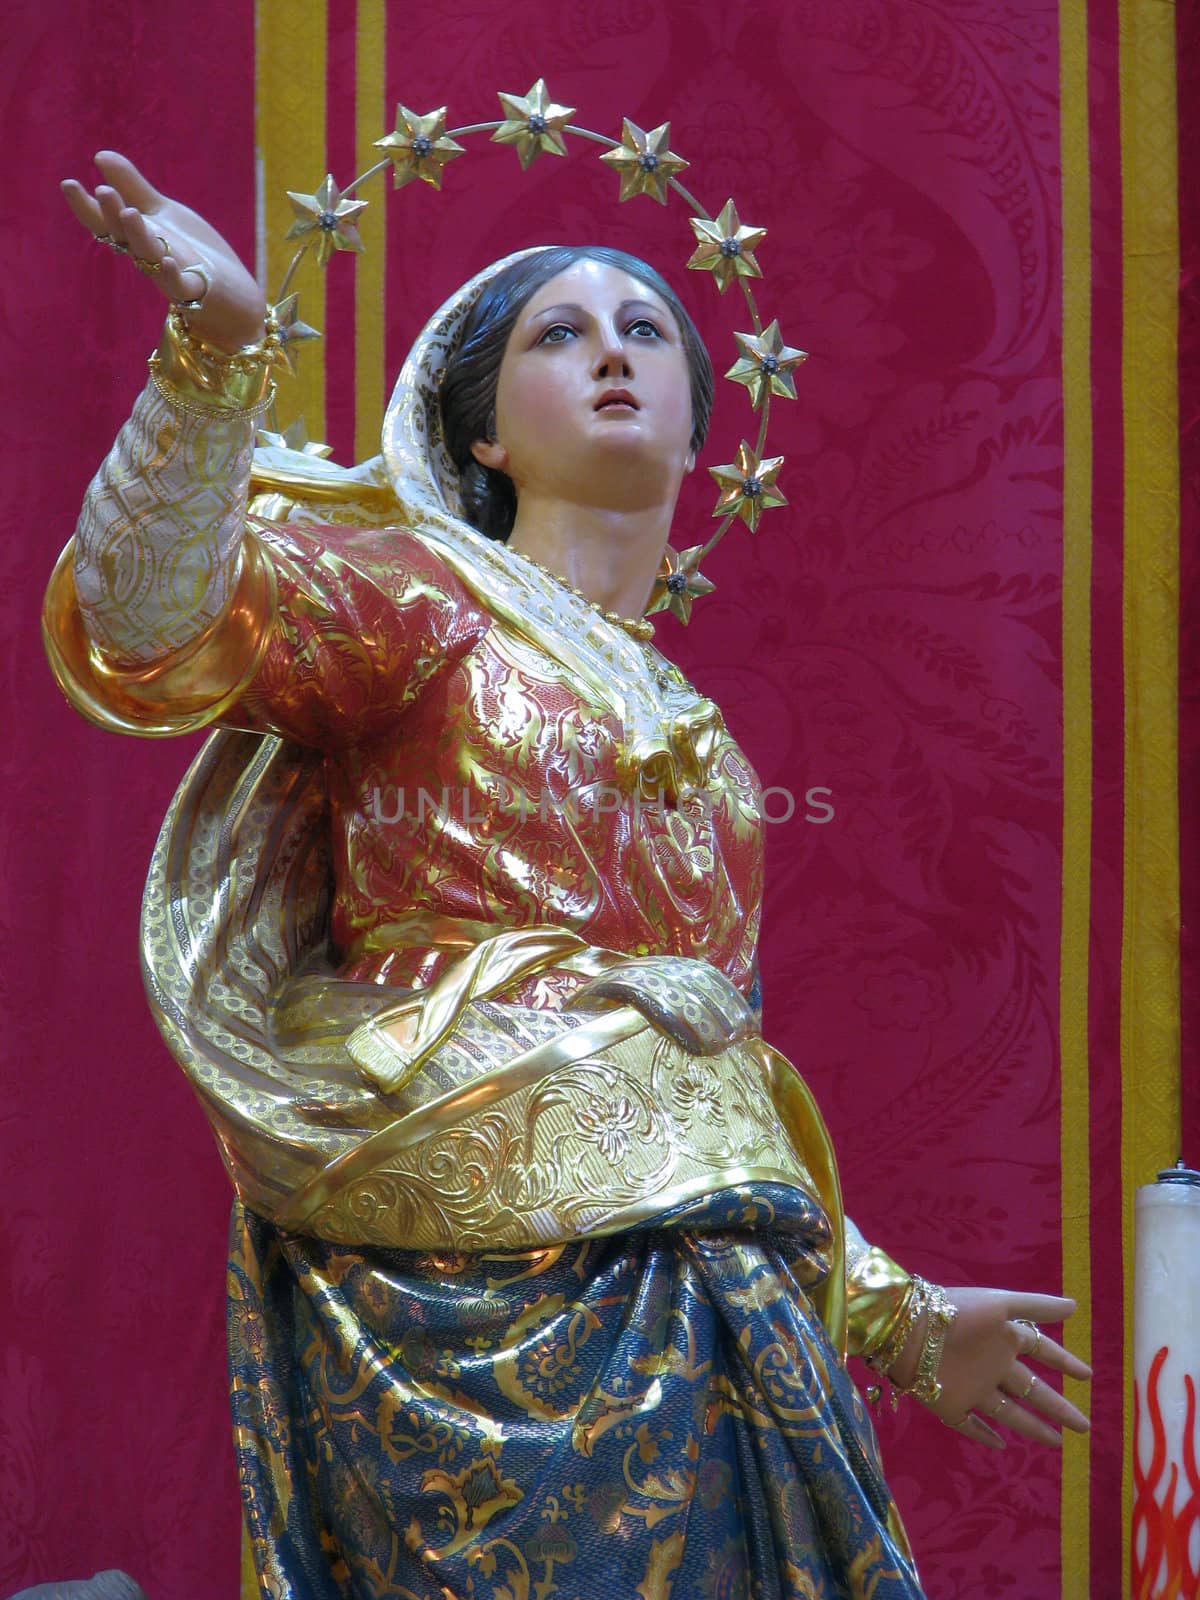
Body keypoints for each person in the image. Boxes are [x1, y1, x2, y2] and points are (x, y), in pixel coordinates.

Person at [48, 152, 1090, 1599]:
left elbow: (701, 1106)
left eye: (648, 332)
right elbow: (149, 628)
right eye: (561, 331)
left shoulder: (709, 749)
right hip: (455, 1298)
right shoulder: (425, 606)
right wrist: (214, 355)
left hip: (713, 1310)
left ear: (699, 430)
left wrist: (898, 1317)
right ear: (479, 433)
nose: (613, 351)